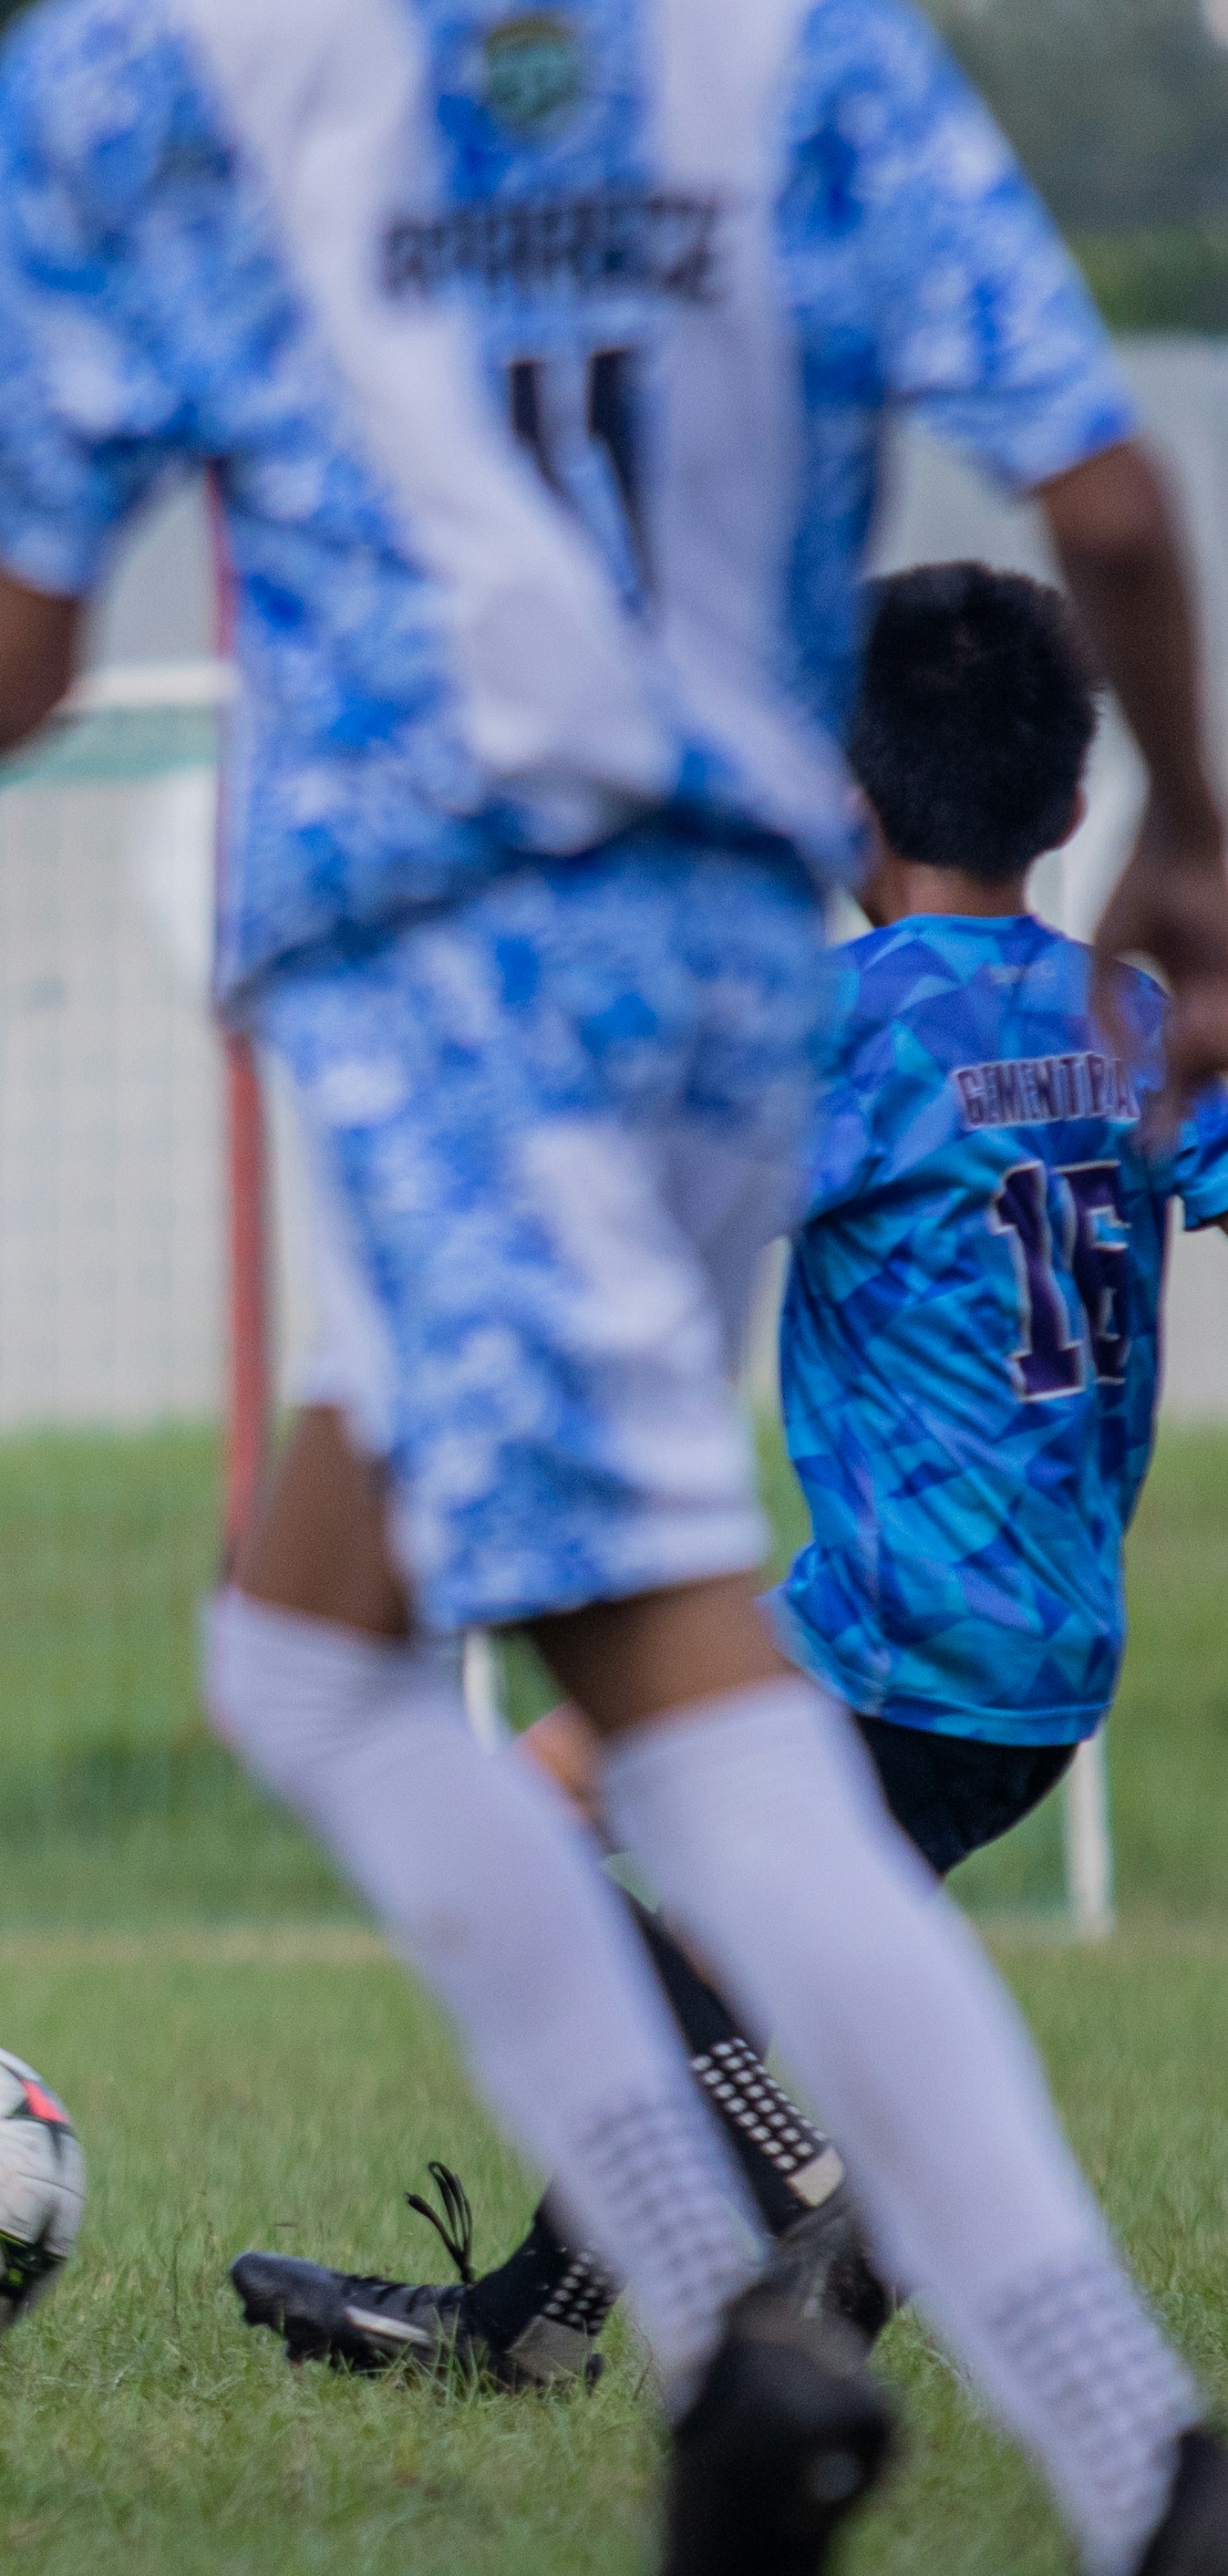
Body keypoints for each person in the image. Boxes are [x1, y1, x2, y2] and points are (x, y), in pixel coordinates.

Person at [0, 0, 1228, 2576]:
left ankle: (1083, 2446)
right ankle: (739, 2353)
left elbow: (21, 605)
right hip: (722, 966)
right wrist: (1189, 829)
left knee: (665, 1720)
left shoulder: (167, 64)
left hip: (466, 962)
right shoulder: (790, 50)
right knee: (316, 1651)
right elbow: (1101, 482)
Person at [232, 560, 1228, 2395]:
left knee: (529, 1825)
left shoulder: (853, 1022)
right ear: (1074, 807)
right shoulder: (1134, 1020)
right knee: (690, 1932)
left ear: (835, 797)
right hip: (1046, 1659)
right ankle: (538, 2320)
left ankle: (837, 2175)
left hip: (890, 1632)